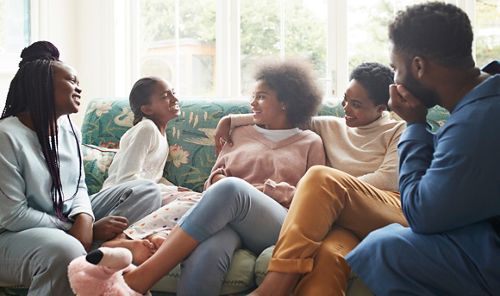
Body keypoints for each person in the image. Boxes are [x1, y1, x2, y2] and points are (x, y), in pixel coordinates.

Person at [122, 59, 326, 295]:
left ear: (285, 102)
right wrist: (218, 182)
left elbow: (313, 197)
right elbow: (213, 184)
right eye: (253, 96)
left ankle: (141, 278)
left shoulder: (310, 141)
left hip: (276, 222)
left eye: (261, 96)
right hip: (227, 219)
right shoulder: (238, 133)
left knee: (231, 189)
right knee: (209, 250)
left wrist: (260, 191)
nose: (252, 103)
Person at [345, 2, 500, 295]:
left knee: (385, 249)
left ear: (418, 66)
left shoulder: (474, 123)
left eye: (395, 68)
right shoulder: (485, 96)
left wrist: (415, 125)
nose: (395, 79)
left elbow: (419, 214)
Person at [227, 62, 407, 296]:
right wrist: (230, 121)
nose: (346, 109)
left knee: (320, 178)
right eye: (345, 99)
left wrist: (335, 190)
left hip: (385, 210)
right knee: (327, 257)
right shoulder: (330, 126)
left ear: (380, 108)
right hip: (341, 221)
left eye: (356, 105)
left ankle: (272, 288)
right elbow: (282, 116)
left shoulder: (398, 130)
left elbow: (388, 179)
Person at [0, 41, 162, 295]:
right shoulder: (6, 136)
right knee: (65, 249)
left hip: (64, 219)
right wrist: (77, 229)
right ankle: (92, 248)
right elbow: (12, 215)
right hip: (12, 235)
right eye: (71, 80)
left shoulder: (69, 129)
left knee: (146, 191)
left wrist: (85, 217)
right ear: (43, 87)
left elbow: (79, 186)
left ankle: (99, 249)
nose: (79, 87)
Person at [102, 77, 201, 264]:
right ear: (147, 109)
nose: (174, 99)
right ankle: (125, 238)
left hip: (145, 195)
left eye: (173, 92)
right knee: (200, 201)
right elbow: (127, 179)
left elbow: (153, 176)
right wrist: (172, 192)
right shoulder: (146, 129)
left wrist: (176, 189)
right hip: (123, 199)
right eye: (165, 96)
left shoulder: (160, 134)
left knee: (202, 204)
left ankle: (153, 236)